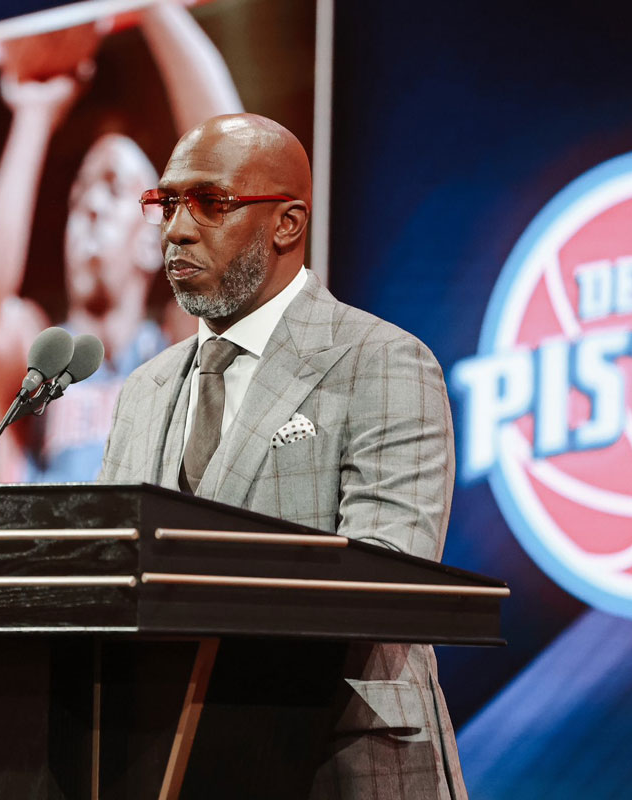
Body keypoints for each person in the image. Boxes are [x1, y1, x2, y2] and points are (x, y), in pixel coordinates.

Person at [100, 114, 466, 799]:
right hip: (168, 758)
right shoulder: (146, 388)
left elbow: (394, 575)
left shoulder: (381, 361)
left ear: (288, 224)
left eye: (211, 203)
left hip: (338, 755)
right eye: (168, 202)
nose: (177, 229)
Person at [0, 2, 243, 483]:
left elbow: (232, 175)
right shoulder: (35, 366)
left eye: (110, 187)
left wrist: (151, 7)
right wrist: (33, 113)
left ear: (154, 244)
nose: (88, 207)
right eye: (78, 196)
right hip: (48, 560)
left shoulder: (177, 352)